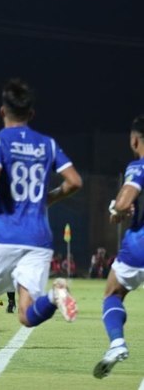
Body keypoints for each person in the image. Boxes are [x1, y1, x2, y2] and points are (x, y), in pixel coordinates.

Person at [0, 78, 82, 390]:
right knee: (26, 314)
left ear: (2, 111)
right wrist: (48, 198)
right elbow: (74, 181)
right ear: (32, 113)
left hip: (3, 235)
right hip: (38, 239)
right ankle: (55, 296)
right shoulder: (47, 144)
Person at [93, 114, 144, 379]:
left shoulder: (139, 166)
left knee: (113, 293)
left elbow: (124, 203)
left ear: (135, 140)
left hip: (139, 246)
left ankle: (117, 344)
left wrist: (117, 208)